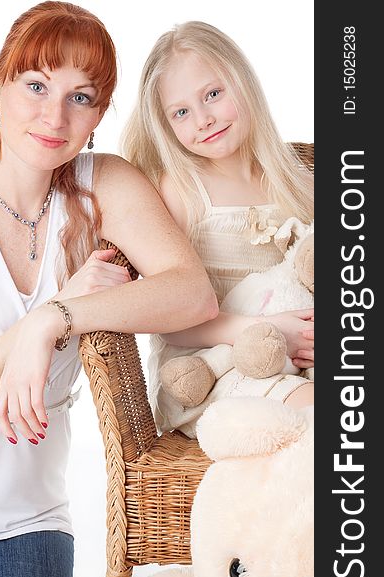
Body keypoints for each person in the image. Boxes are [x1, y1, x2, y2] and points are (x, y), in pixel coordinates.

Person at [0, 4, 217, 577]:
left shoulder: (102, 183)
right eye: (36, 85)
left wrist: (56, 318)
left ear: (99, 114)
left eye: (81, 97)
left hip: (28, 517)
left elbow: (193, 293)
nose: (54, 115)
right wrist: (33, 326)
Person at [121, 21, 314, 439]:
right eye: (182, 112)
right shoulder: (182, 193)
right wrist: (259, 331)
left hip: (294, 358)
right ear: (166, 125)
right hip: (206, 374)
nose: (204, 120)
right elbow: (167, 318)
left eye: (213, 94)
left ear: (242, 83)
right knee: (315, 414)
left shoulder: (296, 181)